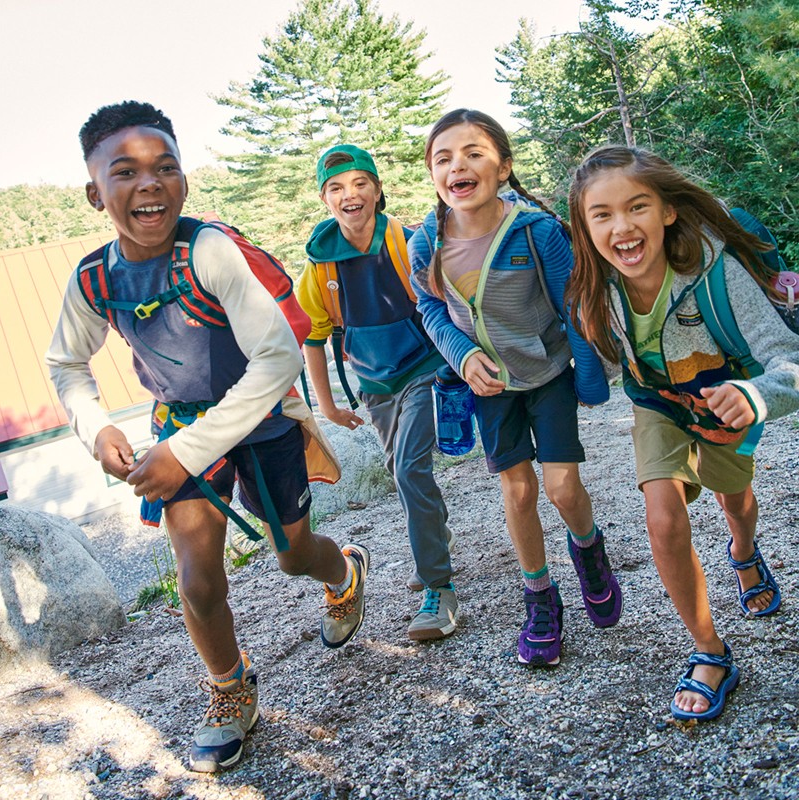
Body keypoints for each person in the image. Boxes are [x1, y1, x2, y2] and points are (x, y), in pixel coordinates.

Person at [45, 101, 369, 773]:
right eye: (125, 171)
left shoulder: (209, 249)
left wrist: (182, 453)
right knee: (196, 580)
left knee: (292, 553)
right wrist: (96, 426)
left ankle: (344, 574)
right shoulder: (94, 279)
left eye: (166, 166)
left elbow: (277, 359)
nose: (151, 184)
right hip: (180, 430)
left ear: (183, 178)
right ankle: (231, 690)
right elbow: (66, 363)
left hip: (262, 420)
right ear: (92, 191)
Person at [566, 144, 799, 720]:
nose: (622, 226)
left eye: (637, 207)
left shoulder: (717, 268)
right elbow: (613, 366)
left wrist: (754, 396)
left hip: (729, 403)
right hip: (659, 405)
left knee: (734, 498)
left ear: (667, 210)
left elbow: (785, 359)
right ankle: (709, 651)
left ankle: (743, 553)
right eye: (603, 214)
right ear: (585, 226)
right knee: (662, 514)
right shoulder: (594, 288)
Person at [408, 109, 622, 669]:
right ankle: (540, 600)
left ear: (502, 167)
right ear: (433, 175)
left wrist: (592, 378)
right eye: (444, 157)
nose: (459, 165)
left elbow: (573, 305)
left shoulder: (538, 231)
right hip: (489, 385)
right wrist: (462, 354)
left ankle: (589, 552)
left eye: (474, 152)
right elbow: (431, 308)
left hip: (548, 375)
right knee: (518, 492)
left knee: (561, 489)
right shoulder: (426, 243)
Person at [297, 144, 458, 642]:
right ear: (326, 200)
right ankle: (437, 542)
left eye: (360, 184)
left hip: (425, 370)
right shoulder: (319, 267)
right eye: (337, 188)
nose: (351, 195)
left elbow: (449, 304)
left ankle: (440, 587)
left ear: (377, 190)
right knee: (401, 471)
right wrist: (325, 406)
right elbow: (313, 336)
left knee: (411, 469)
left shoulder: (406, 243)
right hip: (375, 385)